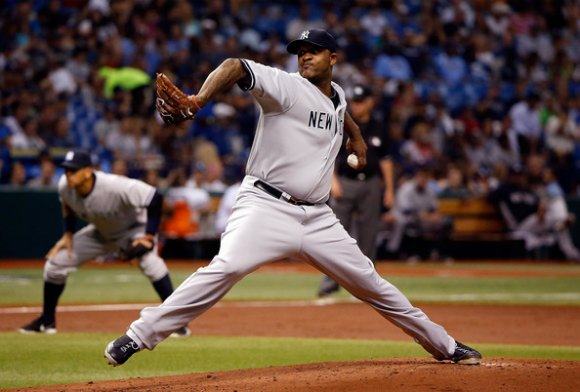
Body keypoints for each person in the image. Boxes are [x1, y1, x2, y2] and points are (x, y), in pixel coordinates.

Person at [105, 29, 481, 367]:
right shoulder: (285, 86)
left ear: (333, 58)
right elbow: (236, 66)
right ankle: (138, 336)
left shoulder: (339, 95)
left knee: (372, 283)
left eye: (314, 50)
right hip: (265, 207)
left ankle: (444, 345)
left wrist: (357, 137)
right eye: (301, 50)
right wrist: (199, 98)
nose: (305, 56)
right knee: (226, 268)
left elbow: (340, 110)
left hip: (318, 219)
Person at [19, 149, 190, 337]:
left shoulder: (114, 185)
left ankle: (178, 324)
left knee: (152, 264)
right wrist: (68, 234)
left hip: (133, 230)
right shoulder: (65, 186)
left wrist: (149, 236)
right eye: (66, 170)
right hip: (100, 233)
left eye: (73, 170)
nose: (68, 175)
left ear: (87, 171)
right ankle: (47, 321)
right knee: (56, 263)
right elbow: (67, 205)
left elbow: (154, 197)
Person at [318, 83, 394, 297]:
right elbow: (329, 152)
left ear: (370, 102)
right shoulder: (343, 123)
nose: (357, 106)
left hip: (371, 184)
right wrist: (332, 181)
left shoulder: (379, 127)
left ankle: (367, 284)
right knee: (335, 234)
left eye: (361, 102)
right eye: (355, 102)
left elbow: (386, 161)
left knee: (369, 235)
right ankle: (330, 281)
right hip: (345, 182)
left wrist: (389, 190)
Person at [384, 165, 453, 261]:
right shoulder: (407, 188)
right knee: (409, 221)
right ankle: (398, 253)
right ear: (416, 177)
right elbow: (406, 210)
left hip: (424, 219)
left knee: (445, 221)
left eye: (425, 177)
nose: (422, 179)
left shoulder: (429, 191)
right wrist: (423, 215)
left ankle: (439, 254)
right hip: (403, 217)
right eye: (420, 176)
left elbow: (433, 209)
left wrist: (433, 216)